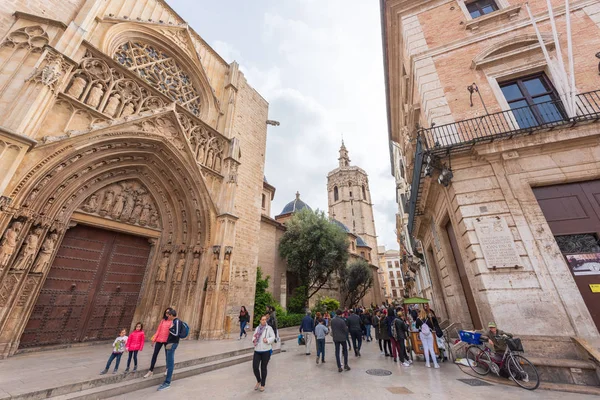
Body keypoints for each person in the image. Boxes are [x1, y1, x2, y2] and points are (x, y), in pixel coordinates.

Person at [157, 308, 183, 391]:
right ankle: (167, 381)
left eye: (168, 315)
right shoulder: (174, 322)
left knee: (170, 362)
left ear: (172, 315)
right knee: (169, 361)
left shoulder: (177, 321)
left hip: (173, 343)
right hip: (170, 343)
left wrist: (170, 328)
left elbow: (176, 334)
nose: (167, 316)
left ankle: (167, 382)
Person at [144, 307, 172, 378]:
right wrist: (154, 339)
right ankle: (150, 371)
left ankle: (167, 369)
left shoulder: (172, 322)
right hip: (159, 340)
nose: (167, 314)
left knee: (167, 356)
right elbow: (158, 330)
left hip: (167, 341)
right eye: (166, 313)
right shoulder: (162, 321)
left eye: (168, 313)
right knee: (154, 355)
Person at [252, 314, 276, 392]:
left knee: (263, 367)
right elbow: (254, 336)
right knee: (255, 367)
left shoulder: (269, 328)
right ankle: (259, 380)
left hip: (266, 350)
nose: (264, 321)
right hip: (257, 350)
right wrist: (254, 339)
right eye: (262, 319)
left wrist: (268, 340)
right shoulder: (257, 328)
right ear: (260, 321)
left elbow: (273, 337)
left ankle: (263, 384)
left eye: (265, 319)